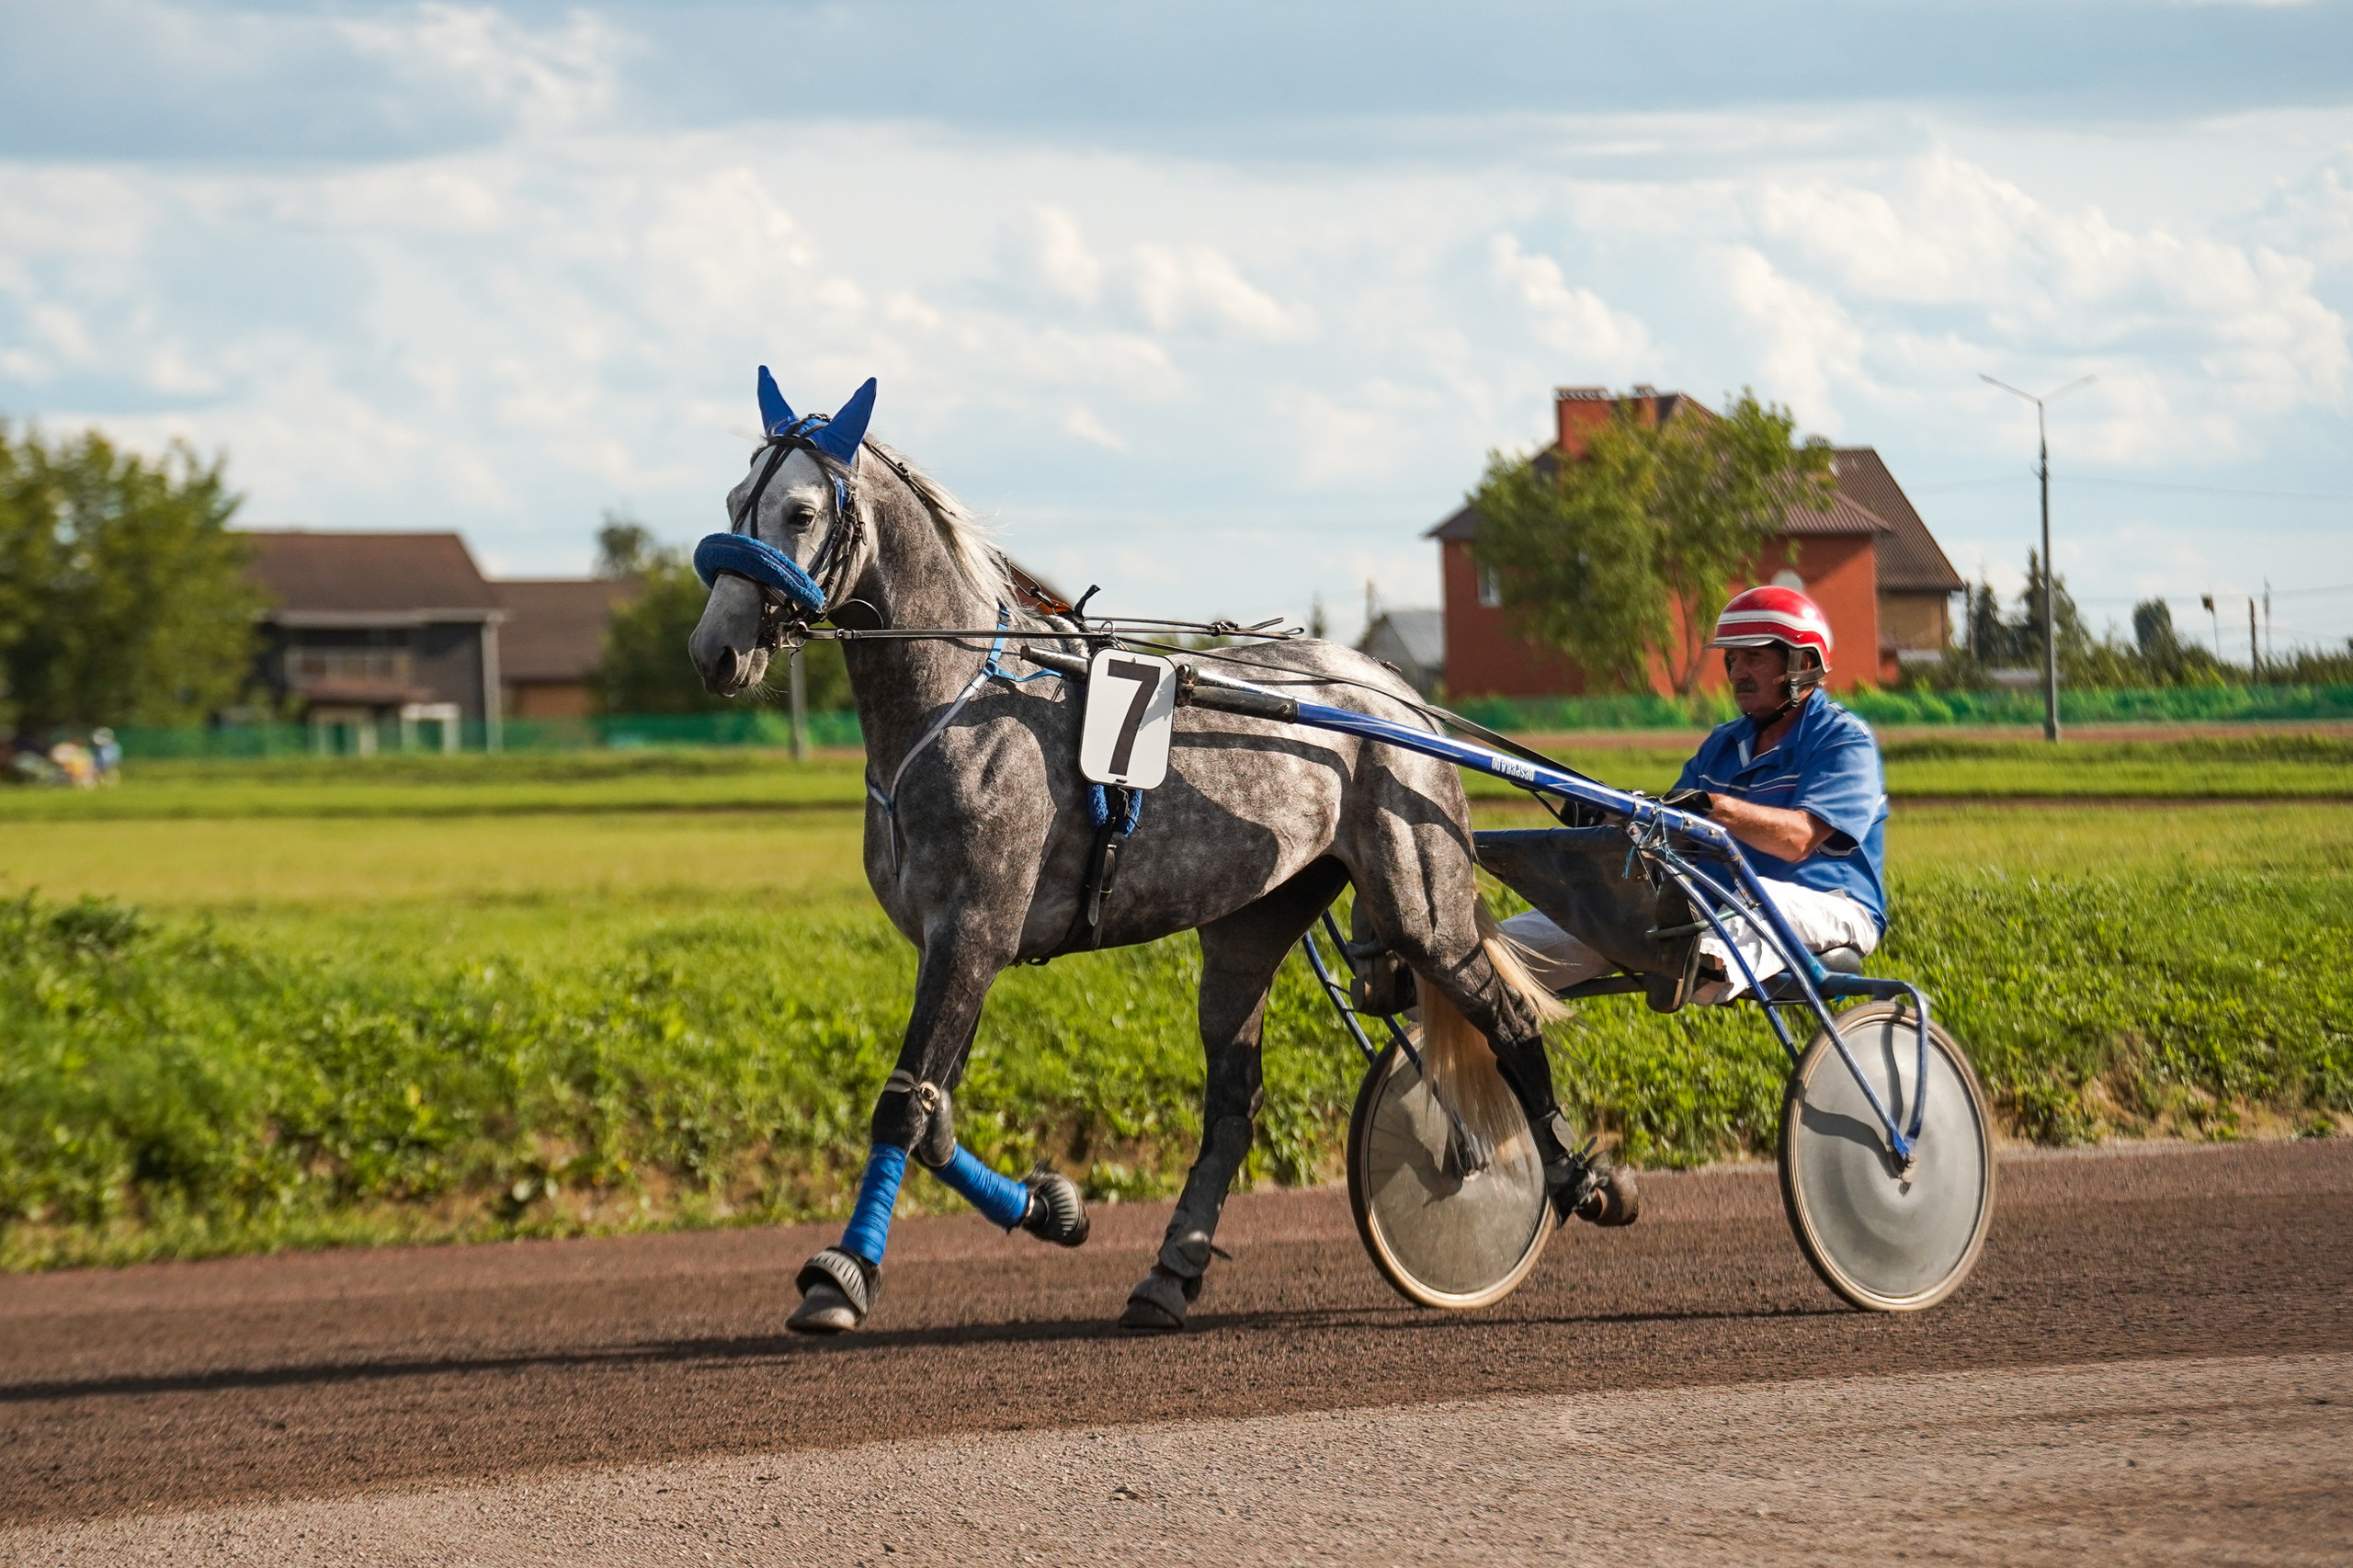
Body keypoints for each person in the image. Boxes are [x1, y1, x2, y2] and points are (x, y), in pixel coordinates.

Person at [1503, 585, 1888, 1001]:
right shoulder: (1722, 744)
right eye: (1732, 658)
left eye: (1754, 657)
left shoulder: (1842, 741)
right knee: (1589, 915)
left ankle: (1697, 967)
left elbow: (1798, 839)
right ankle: (1460, 972)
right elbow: (1673, 837)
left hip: (1828, 905)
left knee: (1758, 901)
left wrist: (1714, 809)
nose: (1738, 671)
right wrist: (1616, 817)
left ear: (1804, 662)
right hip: (1712, 906)